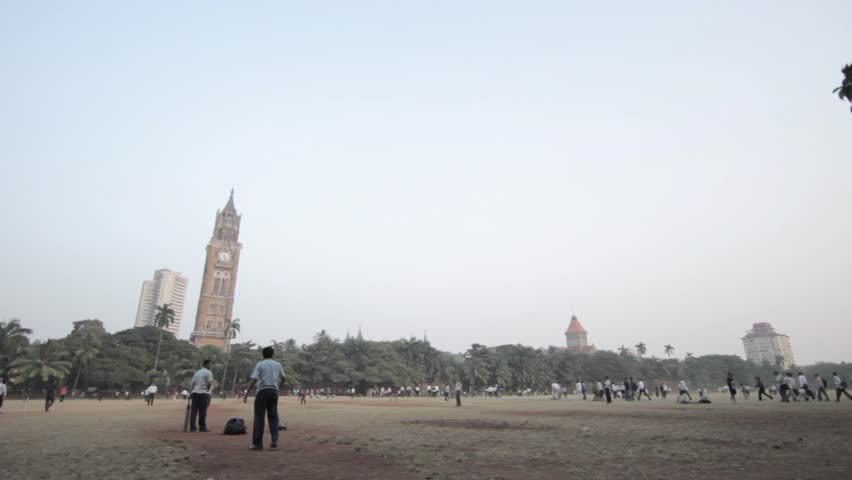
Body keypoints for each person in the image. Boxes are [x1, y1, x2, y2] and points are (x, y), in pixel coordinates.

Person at [244, 346, 286, 450]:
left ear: (263, 354)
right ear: (273, 354)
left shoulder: (260, 364)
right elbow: (284, 378)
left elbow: (254, 380)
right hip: (273, 392)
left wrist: (246, 394)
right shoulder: (277, 364)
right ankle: (274, 439)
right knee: (273, 416)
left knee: (259, 417)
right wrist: (278, 387)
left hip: (262, 392)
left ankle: (257, 444)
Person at [189, 359, 213, 433]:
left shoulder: (197, 372)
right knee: (203, 411)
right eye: (210, 364)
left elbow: (193, 383)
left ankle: (192, 427)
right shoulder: (208, 372)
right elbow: (209, 383)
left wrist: (191, 392)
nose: (211, 366)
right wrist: (207, 390)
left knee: (194, 411)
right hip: (203, 393)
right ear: (206, 365)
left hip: (195, 393)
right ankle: (202, 427)